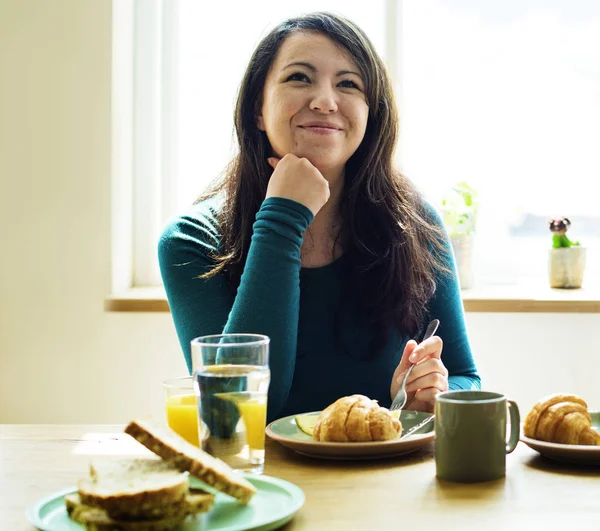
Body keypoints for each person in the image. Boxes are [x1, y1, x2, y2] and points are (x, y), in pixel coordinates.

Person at [159, 12, 480, 422]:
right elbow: (234, 415)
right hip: (263, 482)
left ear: (370, 114)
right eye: (299, 78)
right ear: (257, 109)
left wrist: (431, 395)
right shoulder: (192, 240)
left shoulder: (415, 224)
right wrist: (283, 217)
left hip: (381, 478)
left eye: (348, 84)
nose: (325, 101)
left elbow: (466, 377)